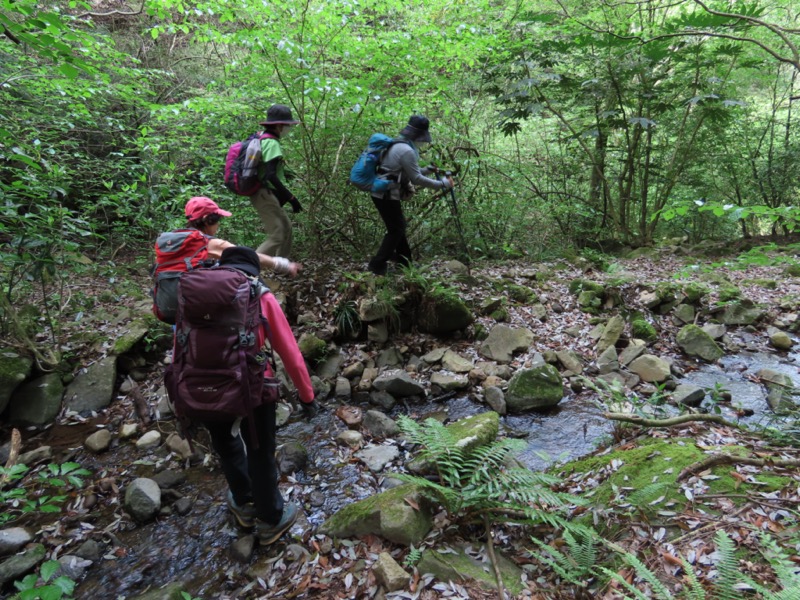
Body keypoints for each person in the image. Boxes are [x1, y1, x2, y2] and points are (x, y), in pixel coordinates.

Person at [204, 246, 318, 545]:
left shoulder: (194, 291)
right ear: (253, 270)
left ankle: (243, 504)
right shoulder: (259, 294)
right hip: (253, 386)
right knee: (259, 450)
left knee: (227, 445)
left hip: (203, 386)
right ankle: (271, 520)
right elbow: (290, 354)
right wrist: (307, 397)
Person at [367, 115, 454, 276]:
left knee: (398, 228)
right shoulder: (407, 150)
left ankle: (404, 262)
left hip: (382, 191)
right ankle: (376, 264)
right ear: (419, 136)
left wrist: (427, 169)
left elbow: (405, 171)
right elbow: (416, 178)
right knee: (396, 229)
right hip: (385, 194)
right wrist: (443, 184)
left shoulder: (398, 144)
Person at [181, 196, 300, 276]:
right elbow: (249, 256)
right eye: (217, 220)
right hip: (190, 297)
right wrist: (285, 265)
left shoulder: (170, 241)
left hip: (167, 300)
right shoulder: (208, 242)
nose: (218, 225)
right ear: (207, 220)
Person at [249, 104, 303, 258]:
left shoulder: (263, 138)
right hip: (265, 194)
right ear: (279, 126)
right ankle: (246, 271)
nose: (289, 128)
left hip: (265, 193)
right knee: (277, 235)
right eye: (288, 125)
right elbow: (270, 175)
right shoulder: (271, 143)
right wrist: (291, 198)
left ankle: (280, 268)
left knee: (286, 228)